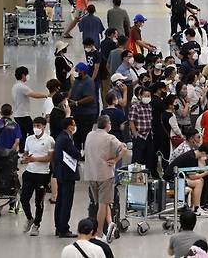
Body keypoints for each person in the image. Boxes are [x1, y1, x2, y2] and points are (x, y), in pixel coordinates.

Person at [84, 114, 127, 243]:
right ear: (108, 125)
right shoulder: (110, 138)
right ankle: (99, 232)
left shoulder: (89, 135)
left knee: (102, 202)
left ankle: (110, 223)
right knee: (103, 204)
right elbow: (123, 149)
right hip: (105, 174)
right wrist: (115, 160)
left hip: (91, 173)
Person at [20, 116, 54, 237]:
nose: (36, 128)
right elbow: (26, 153)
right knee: (24, 198)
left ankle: (36, 225)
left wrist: (35, 159)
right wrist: (25, 158)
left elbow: (50, 158)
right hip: (29, 173)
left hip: (42, 174)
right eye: (35, 126)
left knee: (38, 202)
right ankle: (29, 218)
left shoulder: (50, 140)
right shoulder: (29, 139)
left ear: (44, 126)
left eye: (38, 126)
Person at [165, 141, 208, 215]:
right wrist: (205, 173)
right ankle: (196, 208)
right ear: (203, 153)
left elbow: (198, 170)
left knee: (200, 180)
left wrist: (204, 171)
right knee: (199, 182)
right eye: (207, 155)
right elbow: (192, 177)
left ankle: (196, 206)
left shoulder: (194, 155)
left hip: (179, 177)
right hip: (171, 180)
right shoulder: (191, 157)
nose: (206, 158)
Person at [54, 117, 82, 238]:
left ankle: (58, 227)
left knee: (60, 200)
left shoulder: (60, 137)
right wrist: (80, 153)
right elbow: (76, 153)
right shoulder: (66, 139)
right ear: (70, 126)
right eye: (74, 124)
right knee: (66, 202)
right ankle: (64, 228)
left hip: (60, 173)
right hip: (67, 174)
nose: (75, 127)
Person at [12, 66, 50, 152]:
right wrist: (46, 95)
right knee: (33, 132)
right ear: (23, 75)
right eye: (27, 74)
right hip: (23, 115)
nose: (28, 76)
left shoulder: (15, 86)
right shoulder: (21, 87)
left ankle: (22, 151)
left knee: (22, 135)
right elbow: (33, 94)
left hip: (17, 114)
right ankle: (35, 149)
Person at [68, 62, 97, 150]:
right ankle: (77, 152)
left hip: (87, 113)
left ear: (83, 71)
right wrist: (68, 99)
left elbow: (90, 97)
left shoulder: (89, 82)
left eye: (77, 70)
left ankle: (86, 152)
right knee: (76, 134)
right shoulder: (77, 80)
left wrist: (77, 103)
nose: (76, 72)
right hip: (77, 113)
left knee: (85, 134)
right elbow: (72, 90)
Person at [128, 87, 157, 176]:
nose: (147, 97)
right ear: (140, 96)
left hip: (148, 135)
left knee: (148, 156)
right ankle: (134, 177)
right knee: (137, 158)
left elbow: (150, 120)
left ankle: (146, 177)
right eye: (145, 95)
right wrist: (134, 133)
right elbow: (131, 121)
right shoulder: (135, 107)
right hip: (139, 135)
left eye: (149, 96)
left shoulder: (149, 107)